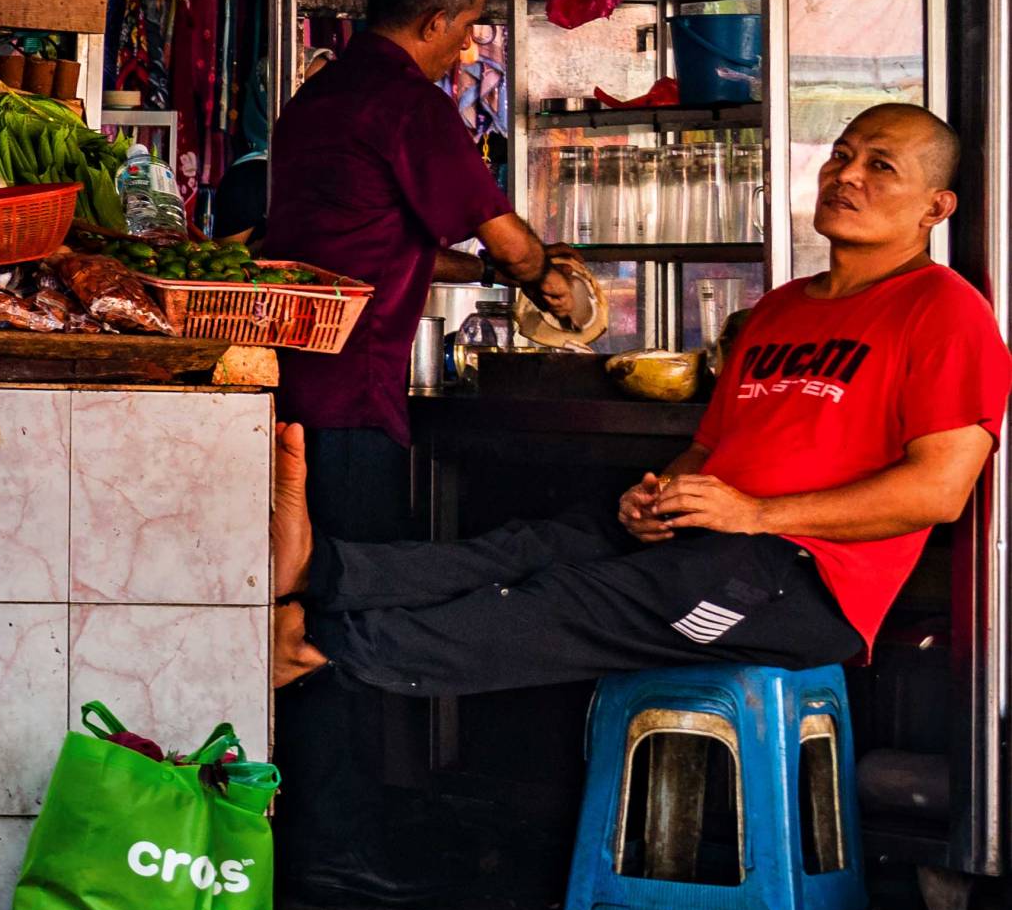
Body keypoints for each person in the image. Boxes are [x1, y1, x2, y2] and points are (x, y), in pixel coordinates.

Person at [273, 103, 1011, 709]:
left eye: (880, 167)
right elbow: (711, 448)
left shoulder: (945, 310)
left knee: (573, 600)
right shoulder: (782, 310)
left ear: (935, 208)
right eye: (841, 155)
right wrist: (656, 495)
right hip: (707, 538)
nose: (846, 175)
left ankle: (314, 643)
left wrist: (756, 515)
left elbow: (937, 491)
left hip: (799, 584)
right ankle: (325, 571)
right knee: (534, 546)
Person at [262, 0, 584, 900]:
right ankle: (341, 844)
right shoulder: (408, 103)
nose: (470, 45)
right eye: (470, 25)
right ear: (435, 18)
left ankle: (309, 828)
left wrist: (490, 270)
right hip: (350, 399)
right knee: (349, 614)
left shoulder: (318, 97)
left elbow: (379, 242)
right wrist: (549, 280)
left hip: (282, 392)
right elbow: (499, 230)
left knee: (297, 614)